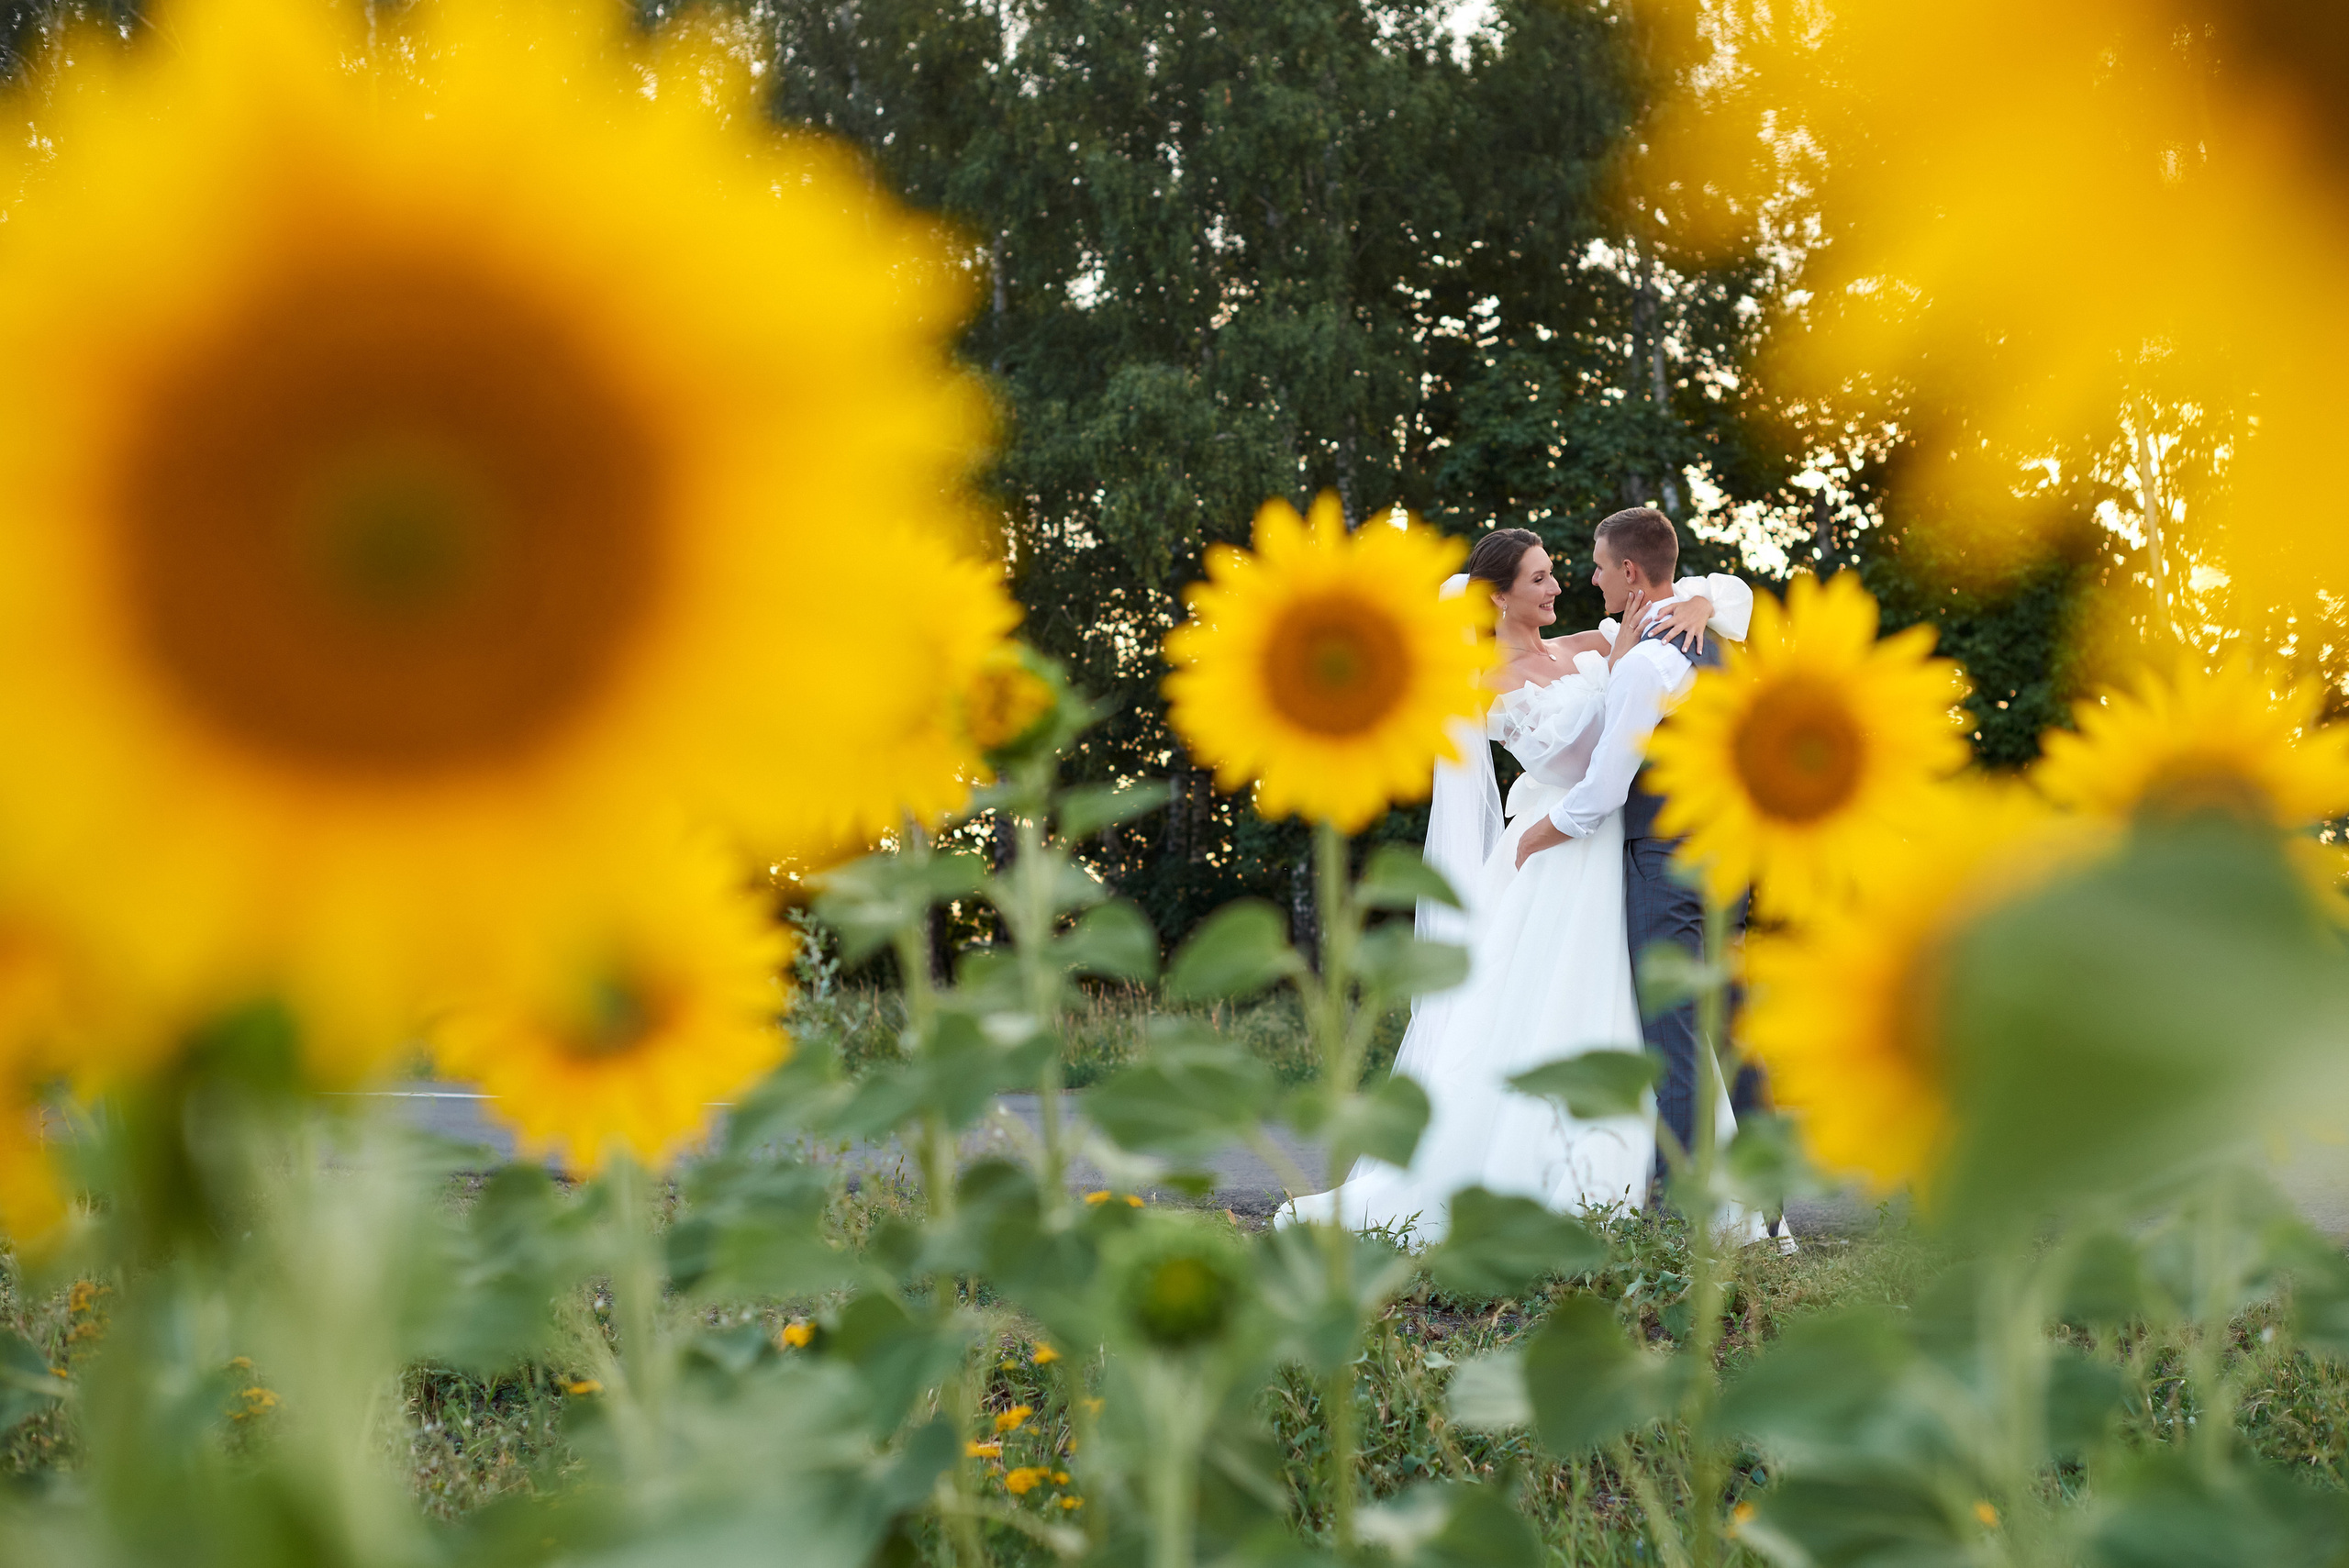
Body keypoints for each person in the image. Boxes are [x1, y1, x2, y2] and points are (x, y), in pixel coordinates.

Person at [1278, 526, 1753, 1240]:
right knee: (1566, 1006)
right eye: (1539, 579)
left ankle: (1673, 1178)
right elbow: (1589, 753)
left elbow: (1701, 591)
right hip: (1560, 852)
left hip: (1609, 845)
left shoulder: (1583, 646)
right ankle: (1565, 1174)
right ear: (1499, 598)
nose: (1558, 586)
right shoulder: (1488, 686)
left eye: (1558, 573)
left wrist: (1697, 604)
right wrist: (1623, 656)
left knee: (1649, 1011)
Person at [1515, 506, 1786, 1249]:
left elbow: (1605, 788)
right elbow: (1730, 592)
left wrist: (1537, 834)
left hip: (1666, 859)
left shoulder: (1643, 663)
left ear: (1630, 572)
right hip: (1729, 856)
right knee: (1731, 1027)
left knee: (1672, 1035)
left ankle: (1683, 1214)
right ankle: (1766, 1202)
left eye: (1599, 565)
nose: (1591, 576)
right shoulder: (1716, 637)